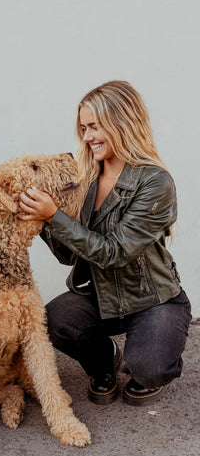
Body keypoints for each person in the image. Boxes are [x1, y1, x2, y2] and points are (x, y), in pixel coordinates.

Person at [19, 80, 191, 406]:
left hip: (152, 298)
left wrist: (54, 215)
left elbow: (114, 253)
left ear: (123, 122)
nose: (87, 137)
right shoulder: (82, 176)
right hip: (98, 294)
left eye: (96, 127)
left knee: (147, 366)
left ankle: (156, 362)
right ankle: (105, 359)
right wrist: (39, 220)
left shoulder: (155, 181)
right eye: (83, 128)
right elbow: (70, 256)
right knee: (54, 319)